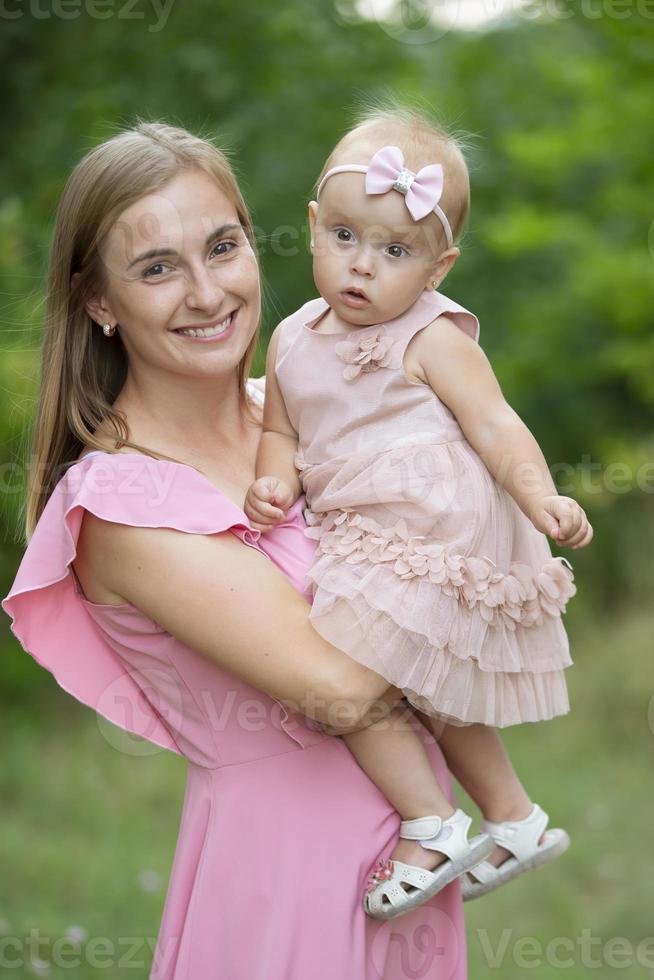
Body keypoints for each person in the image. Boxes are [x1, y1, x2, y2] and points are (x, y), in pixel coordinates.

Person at [2, 120, 470, 979]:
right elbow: (339, 688)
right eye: (156, 268)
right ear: (99, 302)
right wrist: (473, 549)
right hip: (285, 879)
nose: (207, 292)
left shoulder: (306, 416)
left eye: (223, 247)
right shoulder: (122, 501)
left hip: (413, 864)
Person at [245, 106, 593, 915]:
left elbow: (495, 423)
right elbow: (280, 428)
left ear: (438, 268)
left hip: (433, 531)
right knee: (426, 690)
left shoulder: (434, 337)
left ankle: (430, 823)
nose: (360, 267)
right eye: (343, 238)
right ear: (312, 226)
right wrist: (273, 482)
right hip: (361, 530)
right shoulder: (293, 338)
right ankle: (516, 819)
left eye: (394, 251)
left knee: (341, 673)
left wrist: (541, 495)